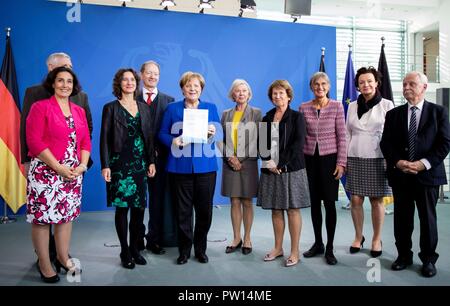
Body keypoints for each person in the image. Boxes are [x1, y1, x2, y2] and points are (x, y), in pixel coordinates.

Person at [20, 52, 93, 263]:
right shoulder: (38, 104)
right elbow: (32, 139)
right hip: (46, 171)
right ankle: (44, 262)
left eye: (69, 80)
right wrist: (57, 167)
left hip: (72, 174)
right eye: (61, 79)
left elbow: (86, 138)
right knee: (42, 220)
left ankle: (62, 257)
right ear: (52, 80)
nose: (65, 84)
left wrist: (82, 164)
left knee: (66, 217)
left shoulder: (78, 109)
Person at [380, 71, 450, 277]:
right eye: (404, 84)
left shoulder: (439, 112)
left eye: (412, 84)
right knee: (402, 218)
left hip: (427, 175)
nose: (407, 87)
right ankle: (403, 256)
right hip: (401, 175)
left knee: (427, 219)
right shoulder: (393, 114)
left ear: (424, 87)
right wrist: (398, 162)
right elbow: (386, 143)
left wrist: (423, 163)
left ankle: (428, 259)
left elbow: (445, 143)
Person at [158, 71, 220, 265]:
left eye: (196, 86)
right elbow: (161, 133)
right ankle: (184, 250)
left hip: (206, 167)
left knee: (204, 212)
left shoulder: (211, 108)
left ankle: (200, 249)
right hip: (180, 167)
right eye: (188, 85)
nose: (192, 89)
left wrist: (213, 132)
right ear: (182, 88)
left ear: (201, 89)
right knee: (182, 212)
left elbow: (218, 136)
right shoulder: (172, 109)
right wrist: (173, 140)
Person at [100, 68, 156, 269]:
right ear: (119, 84)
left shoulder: (144, 107)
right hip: (119, 165)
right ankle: (124, 251)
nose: (129, 82)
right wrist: (105, 165)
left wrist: (151, 161)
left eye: (132, 79)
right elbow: (104, 139)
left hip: (140, 164)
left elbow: (148, 138)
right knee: (122, 209)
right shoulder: (111, 108)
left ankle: (135, 249)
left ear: (136, 83)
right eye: (125, 80)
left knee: (139, 209)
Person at [257, 80, 310, 267]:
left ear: (289, 96)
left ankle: (295, 251)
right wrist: (269, 162)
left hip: (291, 170)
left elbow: (298, 144)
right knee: (276, 210)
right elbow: (261, 144)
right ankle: (278, 248)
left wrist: (279, 163)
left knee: (293, 210)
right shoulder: (267, 117)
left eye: (281, 93)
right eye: (274, 94)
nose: (277, 96)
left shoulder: (297, 117)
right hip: (270, 170)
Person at [345, 66, 393, 257]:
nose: (366, 84)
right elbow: (347, 133)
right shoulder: (352, 106)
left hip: (379, 157)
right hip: (355, 156)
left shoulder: (387, 105)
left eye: (369, 81)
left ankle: (376, 238)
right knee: (355, 199)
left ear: (376, 83)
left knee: (376, 200)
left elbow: (392, 135)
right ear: (357, 85)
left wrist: (392, 159)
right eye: (362, 82)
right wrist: (345, 159)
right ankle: (358, 236)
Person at [299, 72, 346, 265]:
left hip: (330, 161)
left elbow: (342, 136)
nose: (320, 87)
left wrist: (341, 163)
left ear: (329, 86)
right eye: (316, 84)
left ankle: (330, 247)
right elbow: (301, 136)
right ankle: (318, 243)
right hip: (309, 161)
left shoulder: (336, 106)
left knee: (329, 204)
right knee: (314, 204)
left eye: (324, 84)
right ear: (311, 87)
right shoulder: (303, 108)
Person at [137, 60, 175, 254]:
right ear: (141, 75)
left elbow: (170, 131)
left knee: (157, 201)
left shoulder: (169, 100)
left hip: (160, 160)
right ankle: (136, 241)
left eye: (156, 74)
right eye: (149, 73)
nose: (152, 77)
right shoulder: (130, 97)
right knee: (137, 202)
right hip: (135, 160)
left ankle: (154, 240)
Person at [220, 79, 262, 255]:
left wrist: (240, 159)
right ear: (233, 94)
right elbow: (219, 140)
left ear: (249, 93)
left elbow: (260, 141)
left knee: (247, 201)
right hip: (229, 163)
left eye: (244, 90)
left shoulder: (257, 113)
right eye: (238, 91)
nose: (241, 93)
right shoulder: (225, 114)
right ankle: (236, 237)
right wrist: (231, 157)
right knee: (234, 201)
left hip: (249, 164)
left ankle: (247, 238)